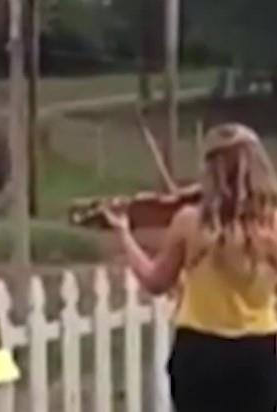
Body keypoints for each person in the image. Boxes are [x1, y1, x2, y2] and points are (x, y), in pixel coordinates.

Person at [103, 123, 277, 412]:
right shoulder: (270, 226)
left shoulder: (189, 222)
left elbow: (155, 281)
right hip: (260, 352)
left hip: (200, 351)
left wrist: (124, 234)